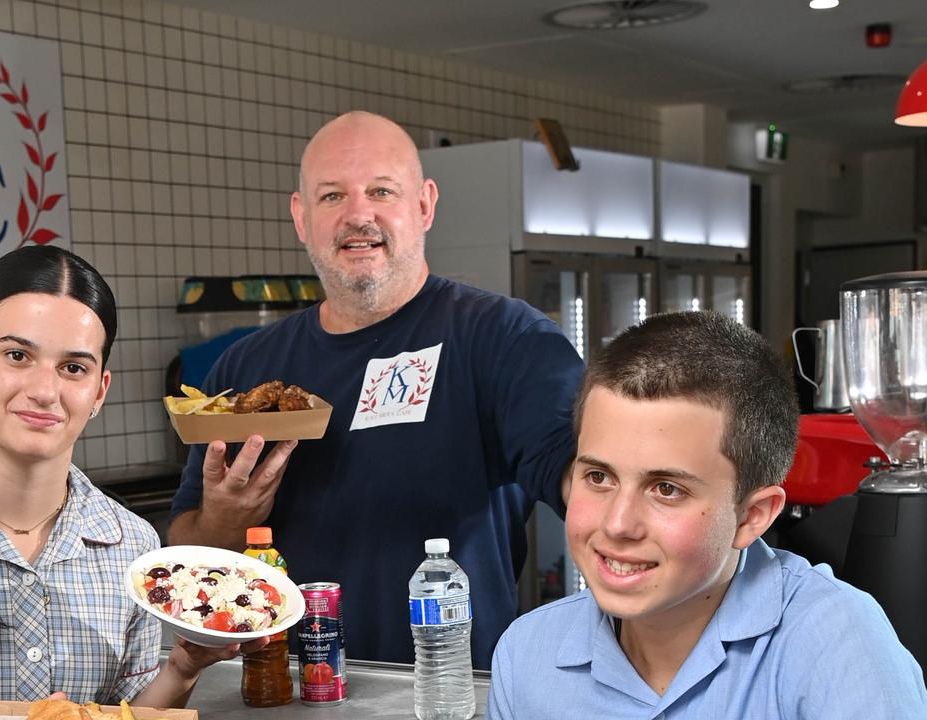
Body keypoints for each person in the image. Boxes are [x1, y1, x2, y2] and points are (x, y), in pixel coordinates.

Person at [167, 111, 584, 668]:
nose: (357, 215)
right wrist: (224, 520)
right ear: (301, 217)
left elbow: (583, 479)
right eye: (332, 196)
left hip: (447, 694)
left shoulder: (503, 339)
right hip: (282, 695)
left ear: (424, 205)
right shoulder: (246, 369)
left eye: (381, 191)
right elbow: (186, 555)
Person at [0, 246, 262, 710]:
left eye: (73, 368)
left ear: (99, 390)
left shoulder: (130, 545)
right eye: (17, 355)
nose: (44, 391)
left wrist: (183, 668)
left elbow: (126, 711)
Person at [486, 311, 927, 719]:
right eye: (599, 477)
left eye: (666, 489)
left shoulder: (839, 648)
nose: (617, 525)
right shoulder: (526, 657)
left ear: (752, 517)